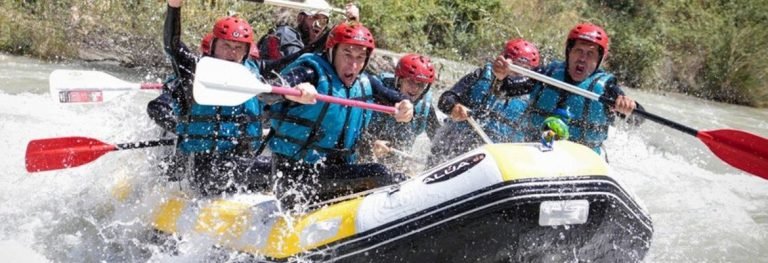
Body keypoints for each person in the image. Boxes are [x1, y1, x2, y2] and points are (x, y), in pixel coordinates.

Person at [146, 0, 314, 196]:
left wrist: (341, 27)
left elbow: (302, 55)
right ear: (214, 45)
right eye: (226, 45)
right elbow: (172, 45)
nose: (232, 53)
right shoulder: (195, 69)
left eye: (239, 48)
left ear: (246, 52)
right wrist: (174, 7)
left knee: (289, 169)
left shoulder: (255, 72)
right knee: (271, 171)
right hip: (202, 164)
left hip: (242, 161)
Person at [264, 22, 414, 206]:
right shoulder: (310, 73)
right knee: (378, 174)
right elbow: (268, 91)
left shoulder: (366, 83)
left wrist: (405, 106)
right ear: (331, 51)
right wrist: (291, 91)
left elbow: (397, 98)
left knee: (403, 179)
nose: (353, 64)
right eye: (347, 54)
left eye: (360, 57)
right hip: (295, 179)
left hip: (335, 174)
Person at [501, 23, 644, 154]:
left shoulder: (607, 88)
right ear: (569, 51)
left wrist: (630, 107)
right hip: (537, 150)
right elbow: (507, 90)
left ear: (599, 59)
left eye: (590, 54)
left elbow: (638, 119)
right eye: (579, 51)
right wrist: (501, 75)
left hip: (583, 159)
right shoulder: (546, 74)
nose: (582, 58)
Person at [428, 38, 541, 166]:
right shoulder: (481, 75)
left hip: (497, 158)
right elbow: (445, 99)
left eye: (524, 70)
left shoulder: (534, 93)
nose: (518, 74)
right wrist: (454, 107)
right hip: (456, 144)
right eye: (515, 67)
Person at [357, 54, 441, 173]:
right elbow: (351, 130)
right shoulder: (376, 91)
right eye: (410, 81)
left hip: (396, 163)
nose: (415, 88)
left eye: (420, 84)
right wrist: (369, 145)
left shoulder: (424, 106)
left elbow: (437, 138)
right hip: (363, 155)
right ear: (399, 80)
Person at [257, 3, 359, 60]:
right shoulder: (286, 33)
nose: (318, 24)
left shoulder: (312, 45)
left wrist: (352, 23)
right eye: (314, 18)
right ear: (301, 18)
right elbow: (298, 61)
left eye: (323, 21)